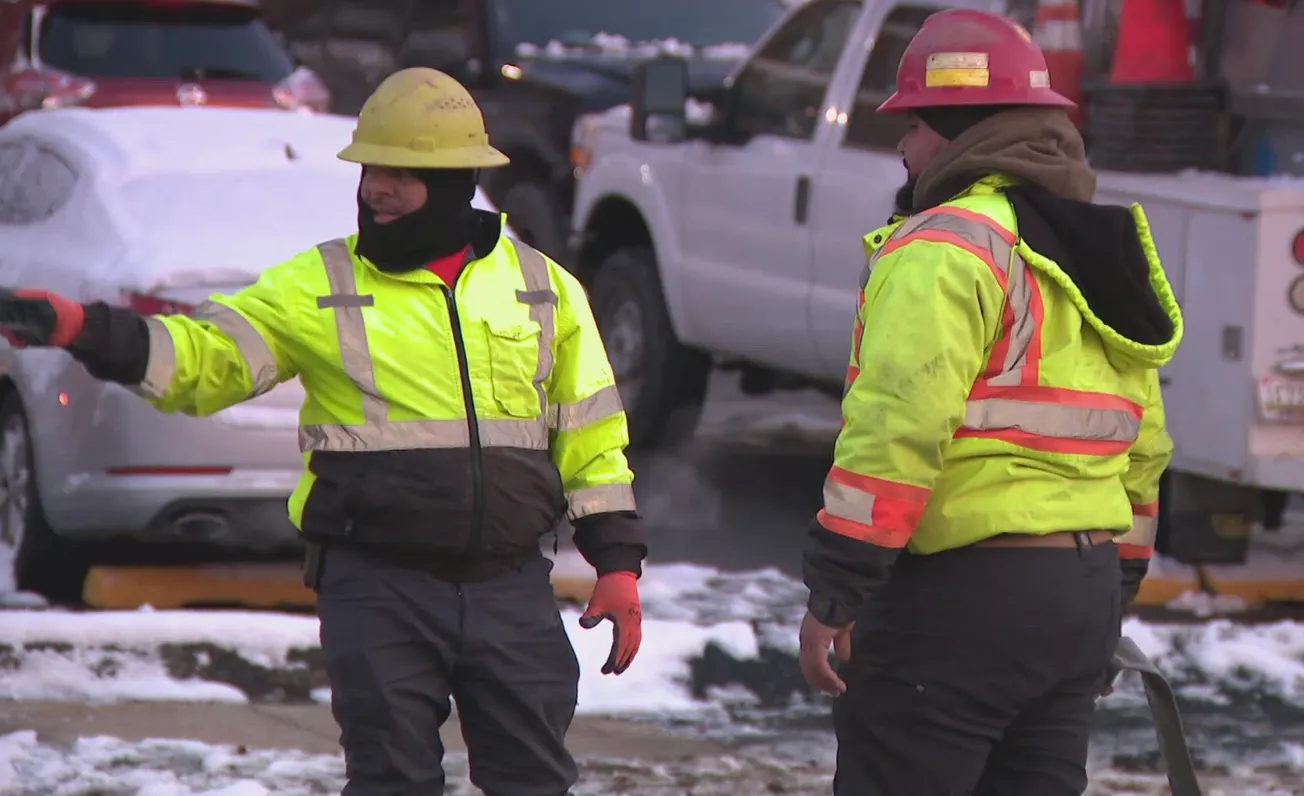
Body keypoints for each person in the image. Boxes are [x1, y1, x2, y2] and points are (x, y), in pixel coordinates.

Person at [0, 67, 646, 796]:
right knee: (390, 781)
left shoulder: (545, 287)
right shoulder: (316, 285)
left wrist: (617, 566)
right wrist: (84, 327)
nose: (378, 187)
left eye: (404, 172)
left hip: (509, 586)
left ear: (458, 180)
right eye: (372, 168)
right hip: (378, 586)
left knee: (532, 779)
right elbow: (200, 363)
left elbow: (593, 440)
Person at [795, 9, 1183, 796]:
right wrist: (1112, 595)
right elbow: (1144, 453)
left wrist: (839, 592)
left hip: (959, 602)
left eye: (909, 124)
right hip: (1078, 599)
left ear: (949, 128)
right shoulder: (1096, 250)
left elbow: (896, 432)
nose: (902, 147)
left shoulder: (945, 246)